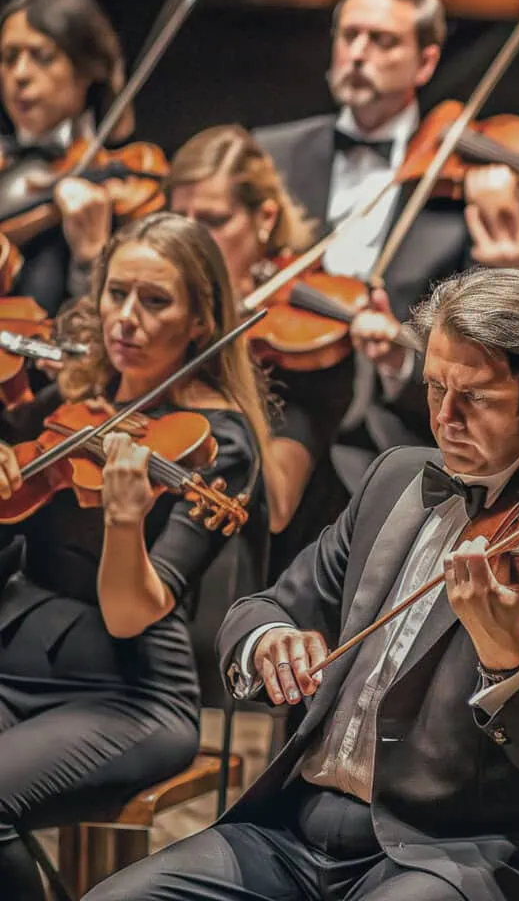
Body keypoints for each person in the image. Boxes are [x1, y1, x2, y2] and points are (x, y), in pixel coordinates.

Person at [85, 267, 519, 901]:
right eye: (434, 388)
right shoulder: (395, 476)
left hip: (451, 857)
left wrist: (503, 654)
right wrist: (269, 639)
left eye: (474, 398)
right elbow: (264, 607)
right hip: (292, 832)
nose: (445, 418)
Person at [0, 213, 269, 901]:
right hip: (18, 660)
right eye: (116, 294)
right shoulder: (72, 402)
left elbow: (131, 617)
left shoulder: (219, 444)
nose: (126, 318)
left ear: (201, 320)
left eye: (155, 302)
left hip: (127, 693)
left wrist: (125, 524)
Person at [253, 0, 519, 479]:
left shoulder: (467, 179)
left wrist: (400, 363)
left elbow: (485, 349)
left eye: (383, 41)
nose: (359, 53)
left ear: (426, 61)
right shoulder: (269, 156)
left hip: (394, 434)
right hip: (271, 405)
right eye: (350, 36)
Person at [165, 123, 356, 583]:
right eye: (179, 219)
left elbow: (276, 502)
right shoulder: (161, 313)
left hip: (248, 572)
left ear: (265, 218)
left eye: (212, 221)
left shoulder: (303, 341)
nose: (191, 242)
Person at [0, 0, 127, 315]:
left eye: (41, 56)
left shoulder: (121, 183)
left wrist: (91, 257)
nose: (20, 73)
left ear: (88, 68)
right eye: (9, 58)